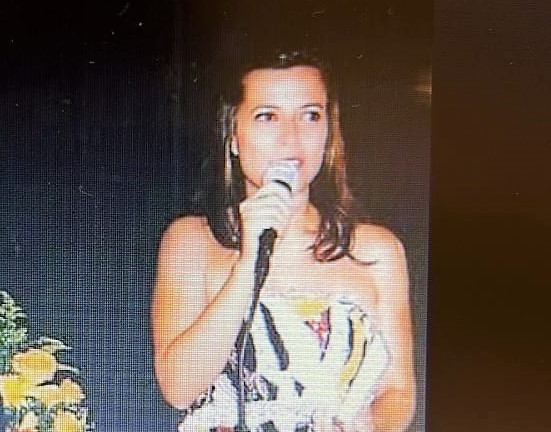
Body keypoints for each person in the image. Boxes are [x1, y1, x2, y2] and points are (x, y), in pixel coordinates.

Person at [151, 49, 415, 432]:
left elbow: (398, 393)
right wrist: (248, 264)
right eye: (267, 116)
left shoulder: (376, 251)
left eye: (310, 115)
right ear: (233, 136)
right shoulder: (192, 242)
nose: (291, 139)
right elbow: (178, 387)